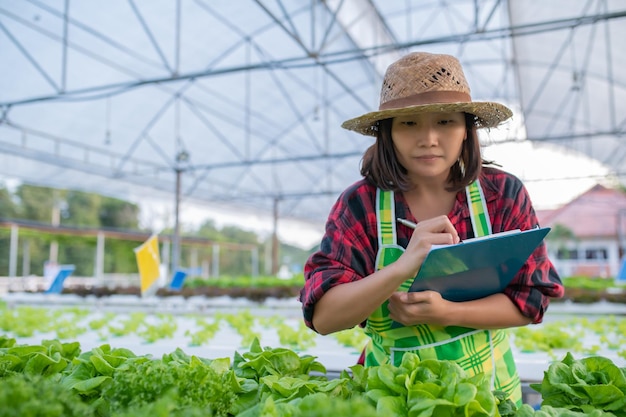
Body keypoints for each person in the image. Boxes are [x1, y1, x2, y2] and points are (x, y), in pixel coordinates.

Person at [299, 51, 564, 406]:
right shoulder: (360, 205)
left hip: (487, 397)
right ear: (387, 132)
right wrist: (403, 266)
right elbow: (324, 317)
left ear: (467, 128)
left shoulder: (501, 195)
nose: (428, 138)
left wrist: (448, 313)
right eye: (409, 124)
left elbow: (532, 300)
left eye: (445, 121)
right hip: (390, 397)